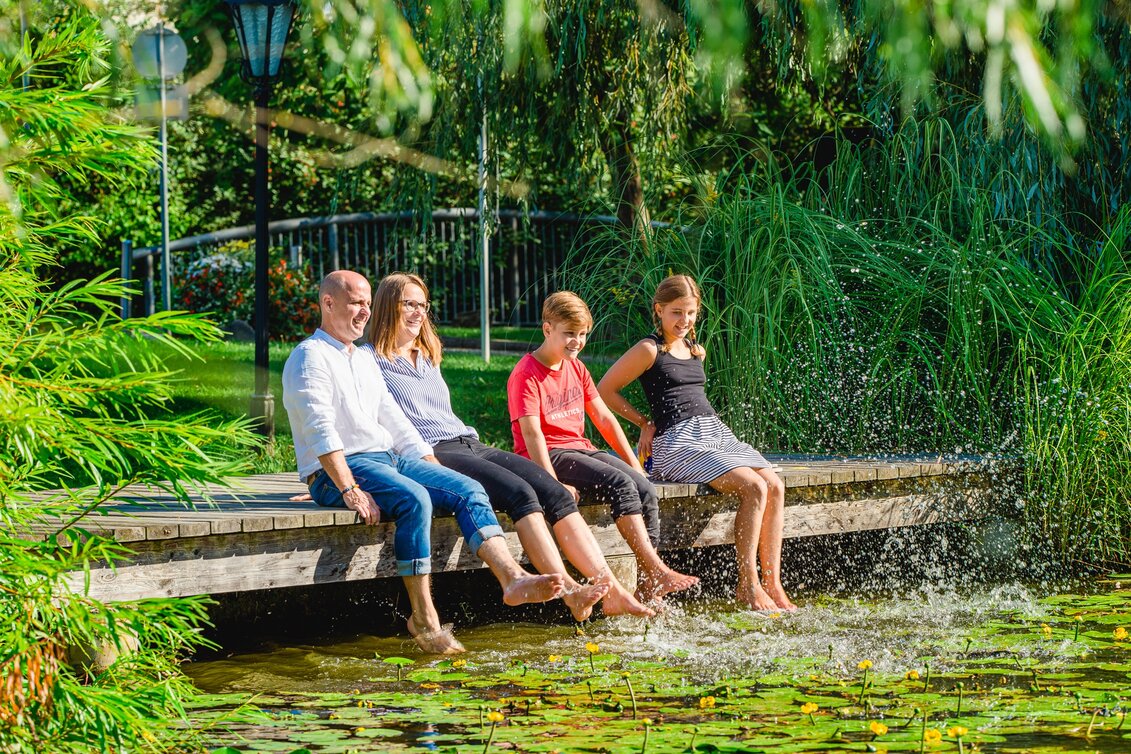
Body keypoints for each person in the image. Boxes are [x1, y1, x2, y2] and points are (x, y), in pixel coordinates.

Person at [281, 270, 564, 655]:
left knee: (466, 488)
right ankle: (424, 618)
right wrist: (346, 486)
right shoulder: (309, 356)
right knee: (416, 499)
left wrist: (432, 464)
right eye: (355, 303)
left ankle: (512, 577)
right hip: (343, 467)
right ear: (328, 303)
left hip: (387, 459)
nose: (364, 311)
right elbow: (319, 428)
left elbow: (394, 420)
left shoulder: (360, 359)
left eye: (367, 302)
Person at [368, 273, 654, 620]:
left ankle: (613, 590)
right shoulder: (370, 360)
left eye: (422, 306)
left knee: (554, 491)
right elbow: (358, 418)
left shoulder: (427, 355)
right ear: (387, 306)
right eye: (408, 305)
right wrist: (349, 477)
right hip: (432, 450)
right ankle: (570, 591)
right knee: (519, 492)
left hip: (466, 439)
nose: (417, 313)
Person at [597, 274, 796, 612]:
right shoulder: (649, 349)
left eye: (690, 313)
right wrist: (645, 422)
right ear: (658, 310)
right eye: (676, 312)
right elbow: (604, 390)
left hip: (714, 433)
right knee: (754, 488)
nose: (684, 321)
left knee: (774, 485)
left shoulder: (695, 349)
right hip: (677, 443)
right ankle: (747, 585)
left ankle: (772, 583)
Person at [506, 291, 699, 604]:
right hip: (549, 455)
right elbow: (532, 434)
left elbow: (605, 420)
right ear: (547, 329)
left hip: (580, 449)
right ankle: (656, 569)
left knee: (643, 487)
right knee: (621, 484)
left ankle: (650, 584)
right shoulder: (527, 373)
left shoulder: (577, 369)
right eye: (569, 333)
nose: (577, 342)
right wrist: (552, 482)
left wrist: (636, 465)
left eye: (582, 335)